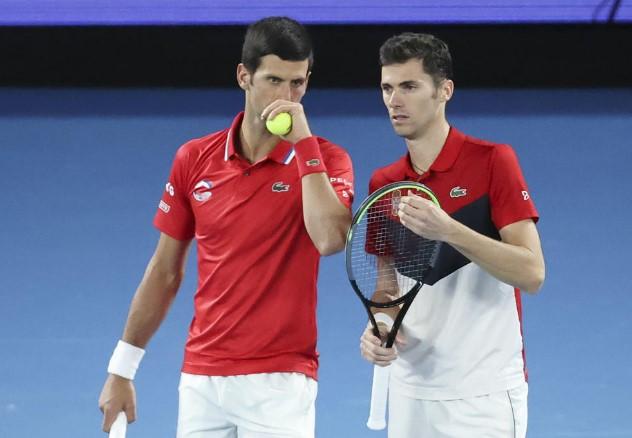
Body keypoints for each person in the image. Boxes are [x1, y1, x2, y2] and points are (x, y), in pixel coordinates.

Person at [98, 16, 354, 438]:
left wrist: (305, 146)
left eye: (297, 83)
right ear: (244, 76)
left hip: (281, 382)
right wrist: (121, 369)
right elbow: (165, 271)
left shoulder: (327, 160)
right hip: (202, 379)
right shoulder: (193, 158)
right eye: (273, 80)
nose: (286, 98)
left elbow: (329, 240)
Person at [359, 32, 545, 438]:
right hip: (409, 392)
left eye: (409, 86)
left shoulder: (494, 162)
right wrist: (381, 325)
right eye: (387, 88)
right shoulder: (385, 183)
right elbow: (387, 287)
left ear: (444, 90)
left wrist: (448, 229)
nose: (394, 100)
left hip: (482, 396)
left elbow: (531, 272)